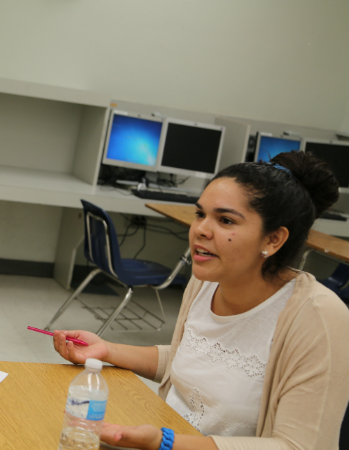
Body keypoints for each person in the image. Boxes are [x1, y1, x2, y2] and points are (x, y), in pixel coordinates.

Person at [53, 151, 349, 450]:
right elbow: (194, 357)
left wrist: (166, 442)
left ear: (273, 239)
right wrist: (108, 350)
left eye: (225, 220)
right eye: (200, 214)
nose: (200, 230)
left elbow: (296, 446)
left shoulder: (317, 316)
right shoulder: (206, 282)